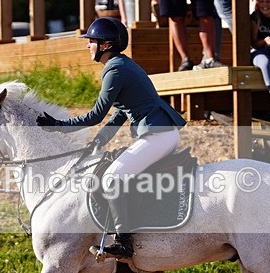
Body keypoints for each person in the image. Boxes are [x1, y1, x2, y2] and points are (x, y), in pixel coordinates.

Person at [36, 17, 186, 259]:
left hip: (158, 135)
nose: (88, 46)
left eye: (92, 41)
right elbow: (119, 113)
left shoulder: (114, 69)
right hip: (161, 132)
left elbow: (96, 115)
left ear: (105, 45)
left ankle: (124, 243)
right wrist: (100, 140)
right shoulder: (122, 64)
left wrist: (58, 125)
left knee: (112, 178)